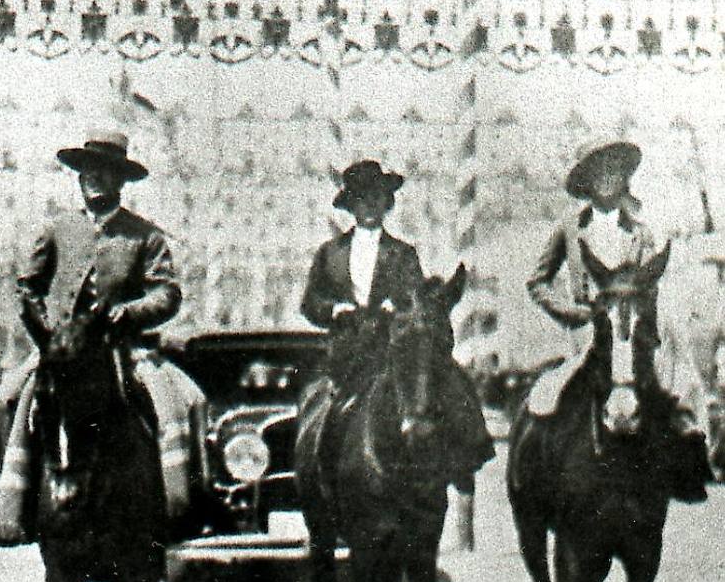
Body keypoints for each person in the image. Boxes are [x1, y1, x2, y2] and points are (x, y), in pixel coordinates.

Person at [0, 130, 203, 545]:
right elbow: (27, 286)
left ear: (121, 179)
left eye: (104, 171)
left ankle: (179, 505)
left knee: (184, 401)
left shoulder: (145, 236)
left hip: (123, 347)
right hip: (62, 349)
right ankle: (15, 506)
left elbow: (168, 292)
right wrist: (48, 332)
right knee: (7, 399)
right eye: (87, 170)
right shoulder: (56, 229)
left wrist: (132, 311)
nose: (94, 178)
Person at [523, 139, 711, 500]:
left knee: (670, 379)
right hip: (587, 333)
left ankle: (687, 455)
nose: (608, 178)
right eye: (599, 172)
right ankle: (538, 475)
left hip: (630, 328)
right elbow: (537, 281)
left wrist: (643, 313)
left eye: (615, 170)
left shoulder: (640, 230)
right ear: (587, 182)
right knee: (550, 398)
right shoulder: (570, 229)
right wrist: (571, 312)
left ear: (625, 177)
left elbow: (651, 282)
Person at [299, 159, 494, 485]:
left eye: (376, 198)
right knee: (328, 415)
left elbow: (414, 298)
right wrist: (335, 311)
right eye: (362, 199)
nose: (370, 205)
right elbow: (310, 303)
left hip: (391, 347)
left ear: (387, 203)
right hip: (348, 351)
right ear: (352, 206)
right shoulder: (329, 253)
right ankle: (323, 479)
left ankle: (463, 461)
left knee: (450, 381)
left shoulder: (403, 253)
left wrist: (399, 305)